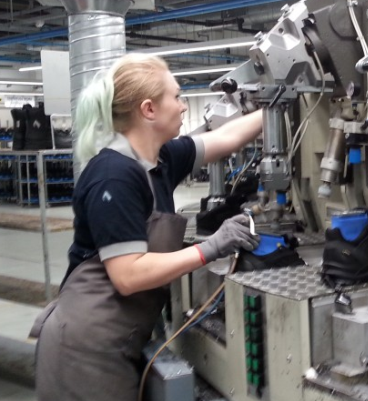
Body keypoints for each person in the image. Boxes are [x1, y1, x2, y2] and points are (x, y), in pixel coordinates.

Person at [29, 53, 263, 401]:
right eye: (177, 97)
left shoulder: (161, 158)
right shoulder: (114, 176)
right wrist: (211, 247)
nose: (183, 106)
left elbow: (226, 137)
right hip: (85, 350)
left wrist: (278, 105)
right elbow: (129, 274)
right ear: (149, 110)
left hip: (119, 337)